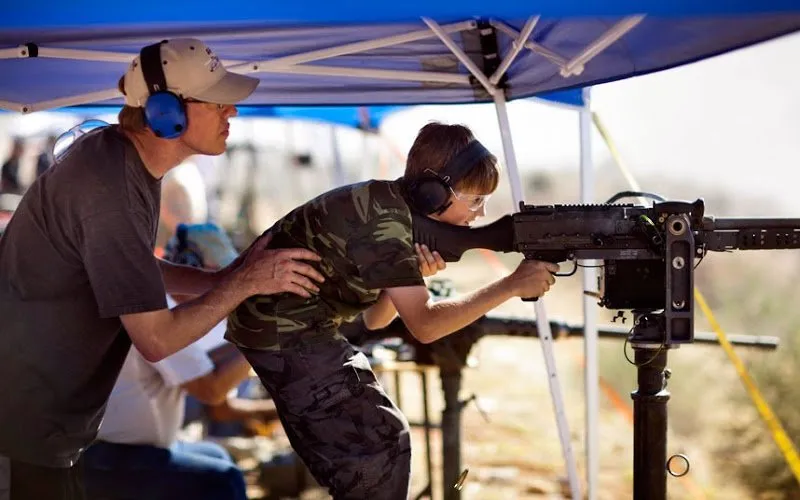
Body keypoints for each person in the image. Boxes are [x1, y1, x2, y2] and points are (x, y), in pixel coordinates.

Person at [0, 38, 324, 500]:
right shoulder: (108, 187)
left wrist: (223, 280)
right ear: (164, 112)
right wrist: (244, 284)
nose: (231, 112)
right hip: (20, 428)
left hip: (44, 426)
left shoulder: (123, 165)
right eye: (218, 102)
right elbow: (156, 339)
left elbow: (129, 271)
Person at [225, 122, 559, 499]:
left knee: (376, 443)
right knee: (378, 447)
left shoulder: (391, 205)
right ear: (434, 194)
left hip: (287, 328)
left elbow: (375, 320)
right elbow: (426, 327)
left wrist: (413, 276)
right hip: (285, 331)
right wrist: (511, 285)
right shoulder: (386, 221)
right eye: (475, 200)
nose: (479, 214)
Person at [82, 223, 281, 500]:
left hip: (128, 449)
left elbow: (207, 368)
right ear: (190, 265)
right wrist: (269, 332)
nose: (228, 287)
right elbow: (211, 391)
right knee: (223, 481)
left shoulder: (163, 307)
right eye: (218, 274)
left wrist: (256, 335)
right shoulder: (155, 310)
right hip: (110, 455)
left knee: (216, 455)